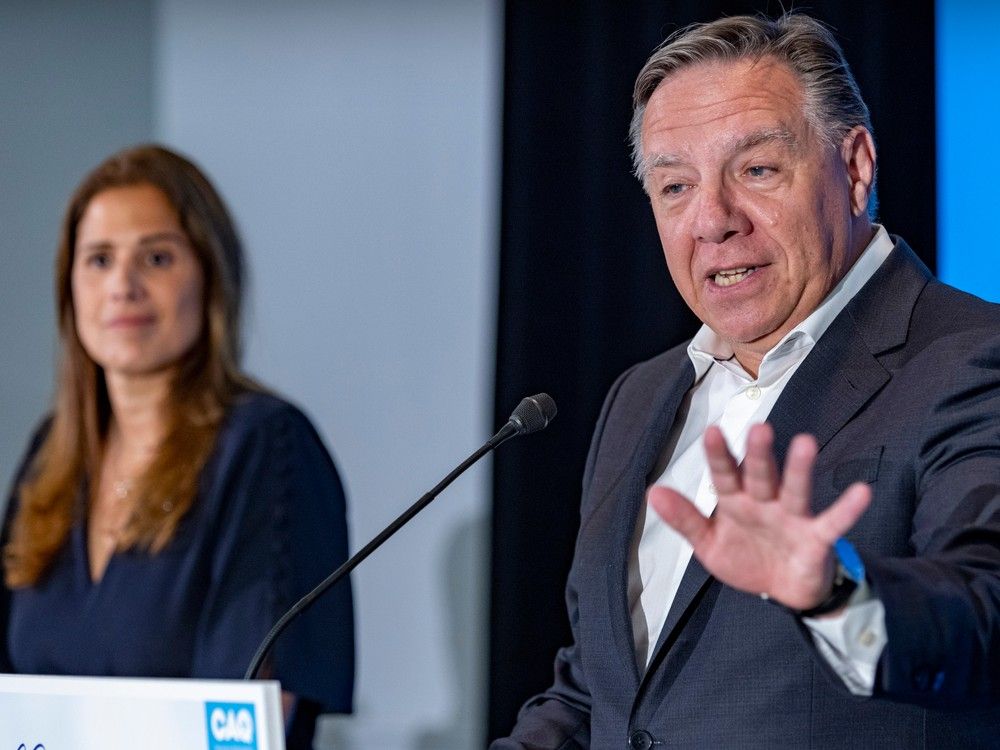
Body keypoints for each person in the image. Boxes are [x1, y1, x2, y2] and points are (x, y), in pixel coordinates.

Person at [494, 13, 1000, 749]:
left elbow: (984, 620)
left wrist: (832, 592)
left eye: (757, 170)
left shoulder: (970, 359)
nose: (713, 220)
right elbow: (596, 695)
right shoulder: (639, 398)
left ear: (855, 167)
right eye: (675, 187)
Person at [0, 145, 354, 749]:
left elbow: (246, 719)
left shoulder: (266, 445)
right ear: (70, 290)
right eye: (99, 260)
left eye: (156, 257)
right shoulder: (50, 455)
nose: (122, 286)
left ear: (211, 278)